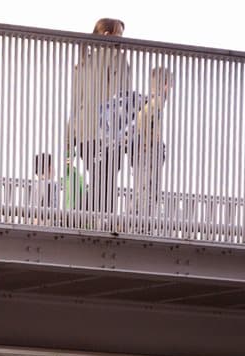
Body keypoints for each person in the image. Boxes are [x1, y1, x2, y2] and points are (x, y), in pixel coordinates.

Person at [66, 18, 130, 215]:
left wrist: (69, 138)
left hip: (86, 130)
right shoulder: (118, 59)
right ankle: (94, 218)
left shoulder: (84, 62)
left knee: (99, 178)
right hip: (109, 132)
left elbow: (76, 103)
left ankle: (85, 217)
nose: (123, 40)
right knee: (107, 179)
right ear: (107, 35)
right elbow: (124, 98)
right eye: (119, 34)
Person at [128, 66, 175, 216]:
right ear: (166, 85)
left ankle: (137, 218)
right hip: (148, 150)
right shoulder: (156, 103)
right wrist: (148, 141)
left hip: (145, 148)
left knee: (143, 189)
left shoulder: (153, 102)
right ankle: (141, 221)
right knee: (147, 190)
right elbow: (144, 119)